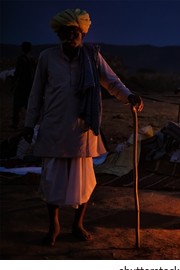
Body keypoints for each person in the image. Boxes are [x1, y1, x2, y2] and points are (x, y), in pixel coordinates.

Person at [23, 8, 143, 247]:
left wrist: (129, 96)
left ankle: (78, 224)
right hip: (54, 127)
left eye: (75, 32)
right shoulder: (47, 58)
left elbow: (111, 81)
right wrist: (29, 123)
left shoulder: (92, 56)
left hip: (82, 129)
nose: (71, 36)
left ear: (83, 34)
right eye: (66, 32)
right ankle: (54, 226)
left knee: (84, 181)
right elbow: (36, 93)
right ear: (59, 34)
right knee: (51, 180)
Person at [11, 41, 37, 129]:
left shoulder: (21, 59)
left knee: (17, 106)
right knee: (28, 106)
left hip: (22, 86)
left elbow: (18, 72)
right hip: (30, 86)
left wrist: (13, 83)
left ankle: (15, 124)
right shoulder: (32, 59)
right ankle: (31, 124)